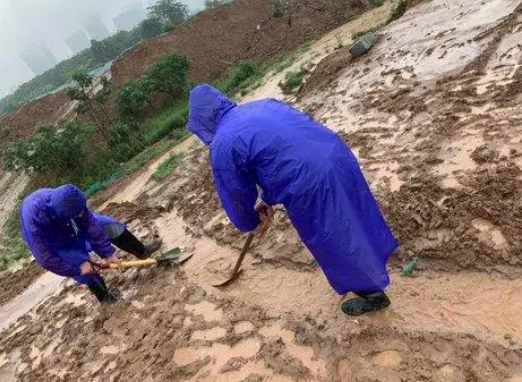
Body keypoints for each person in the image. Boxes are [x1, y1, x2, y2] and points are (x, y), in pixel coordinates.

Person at [187, 84, 398, 316]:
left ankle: (372, 294)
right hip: (335, 155)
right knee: (357, 213)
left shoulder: (222, 144)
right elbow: (283, 153)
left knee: (332, 238)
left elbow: (236, 194)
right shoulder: (262, 105)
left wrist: (250, 222)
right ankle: (377, 259)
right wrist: (267, 198)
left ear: (202, 122)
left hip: (310, 184)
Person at [19, 184, 162, 304]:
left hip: (65, 218)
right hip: (52, 238)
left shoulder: (71, 200)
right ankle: (105, 297)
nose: (80, 215)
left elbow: (90, 225)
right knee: (80, 263)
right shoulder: (34, 224)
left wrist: (108, 253)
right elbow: (45, 259)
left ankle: (142, 251)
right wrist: (78, 269)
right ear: (65, 215)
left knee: (108, 226)